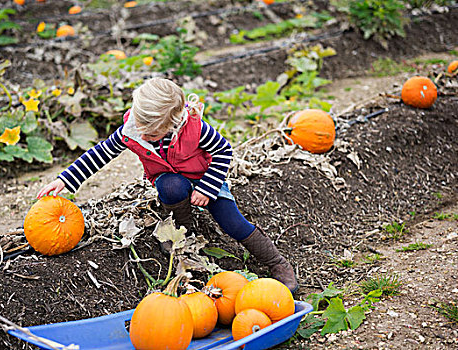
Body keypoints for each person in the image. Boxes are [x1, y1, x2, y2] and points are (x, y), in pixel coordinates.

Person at [36, 78, 298, 293]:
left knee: (232, 222)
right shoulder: (133, 129)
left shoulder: (195, 128)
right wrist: (64, 180)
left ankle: (276, 262)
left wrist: (207, 188)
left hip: (207, 176)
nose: (142, 134)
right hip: (172, 180)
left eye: (151, 133)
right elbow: (100, 154)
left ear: (173, 123)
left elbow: (223, 151)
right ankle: (184, 230)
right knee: (170, 188)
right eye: (140, 126)